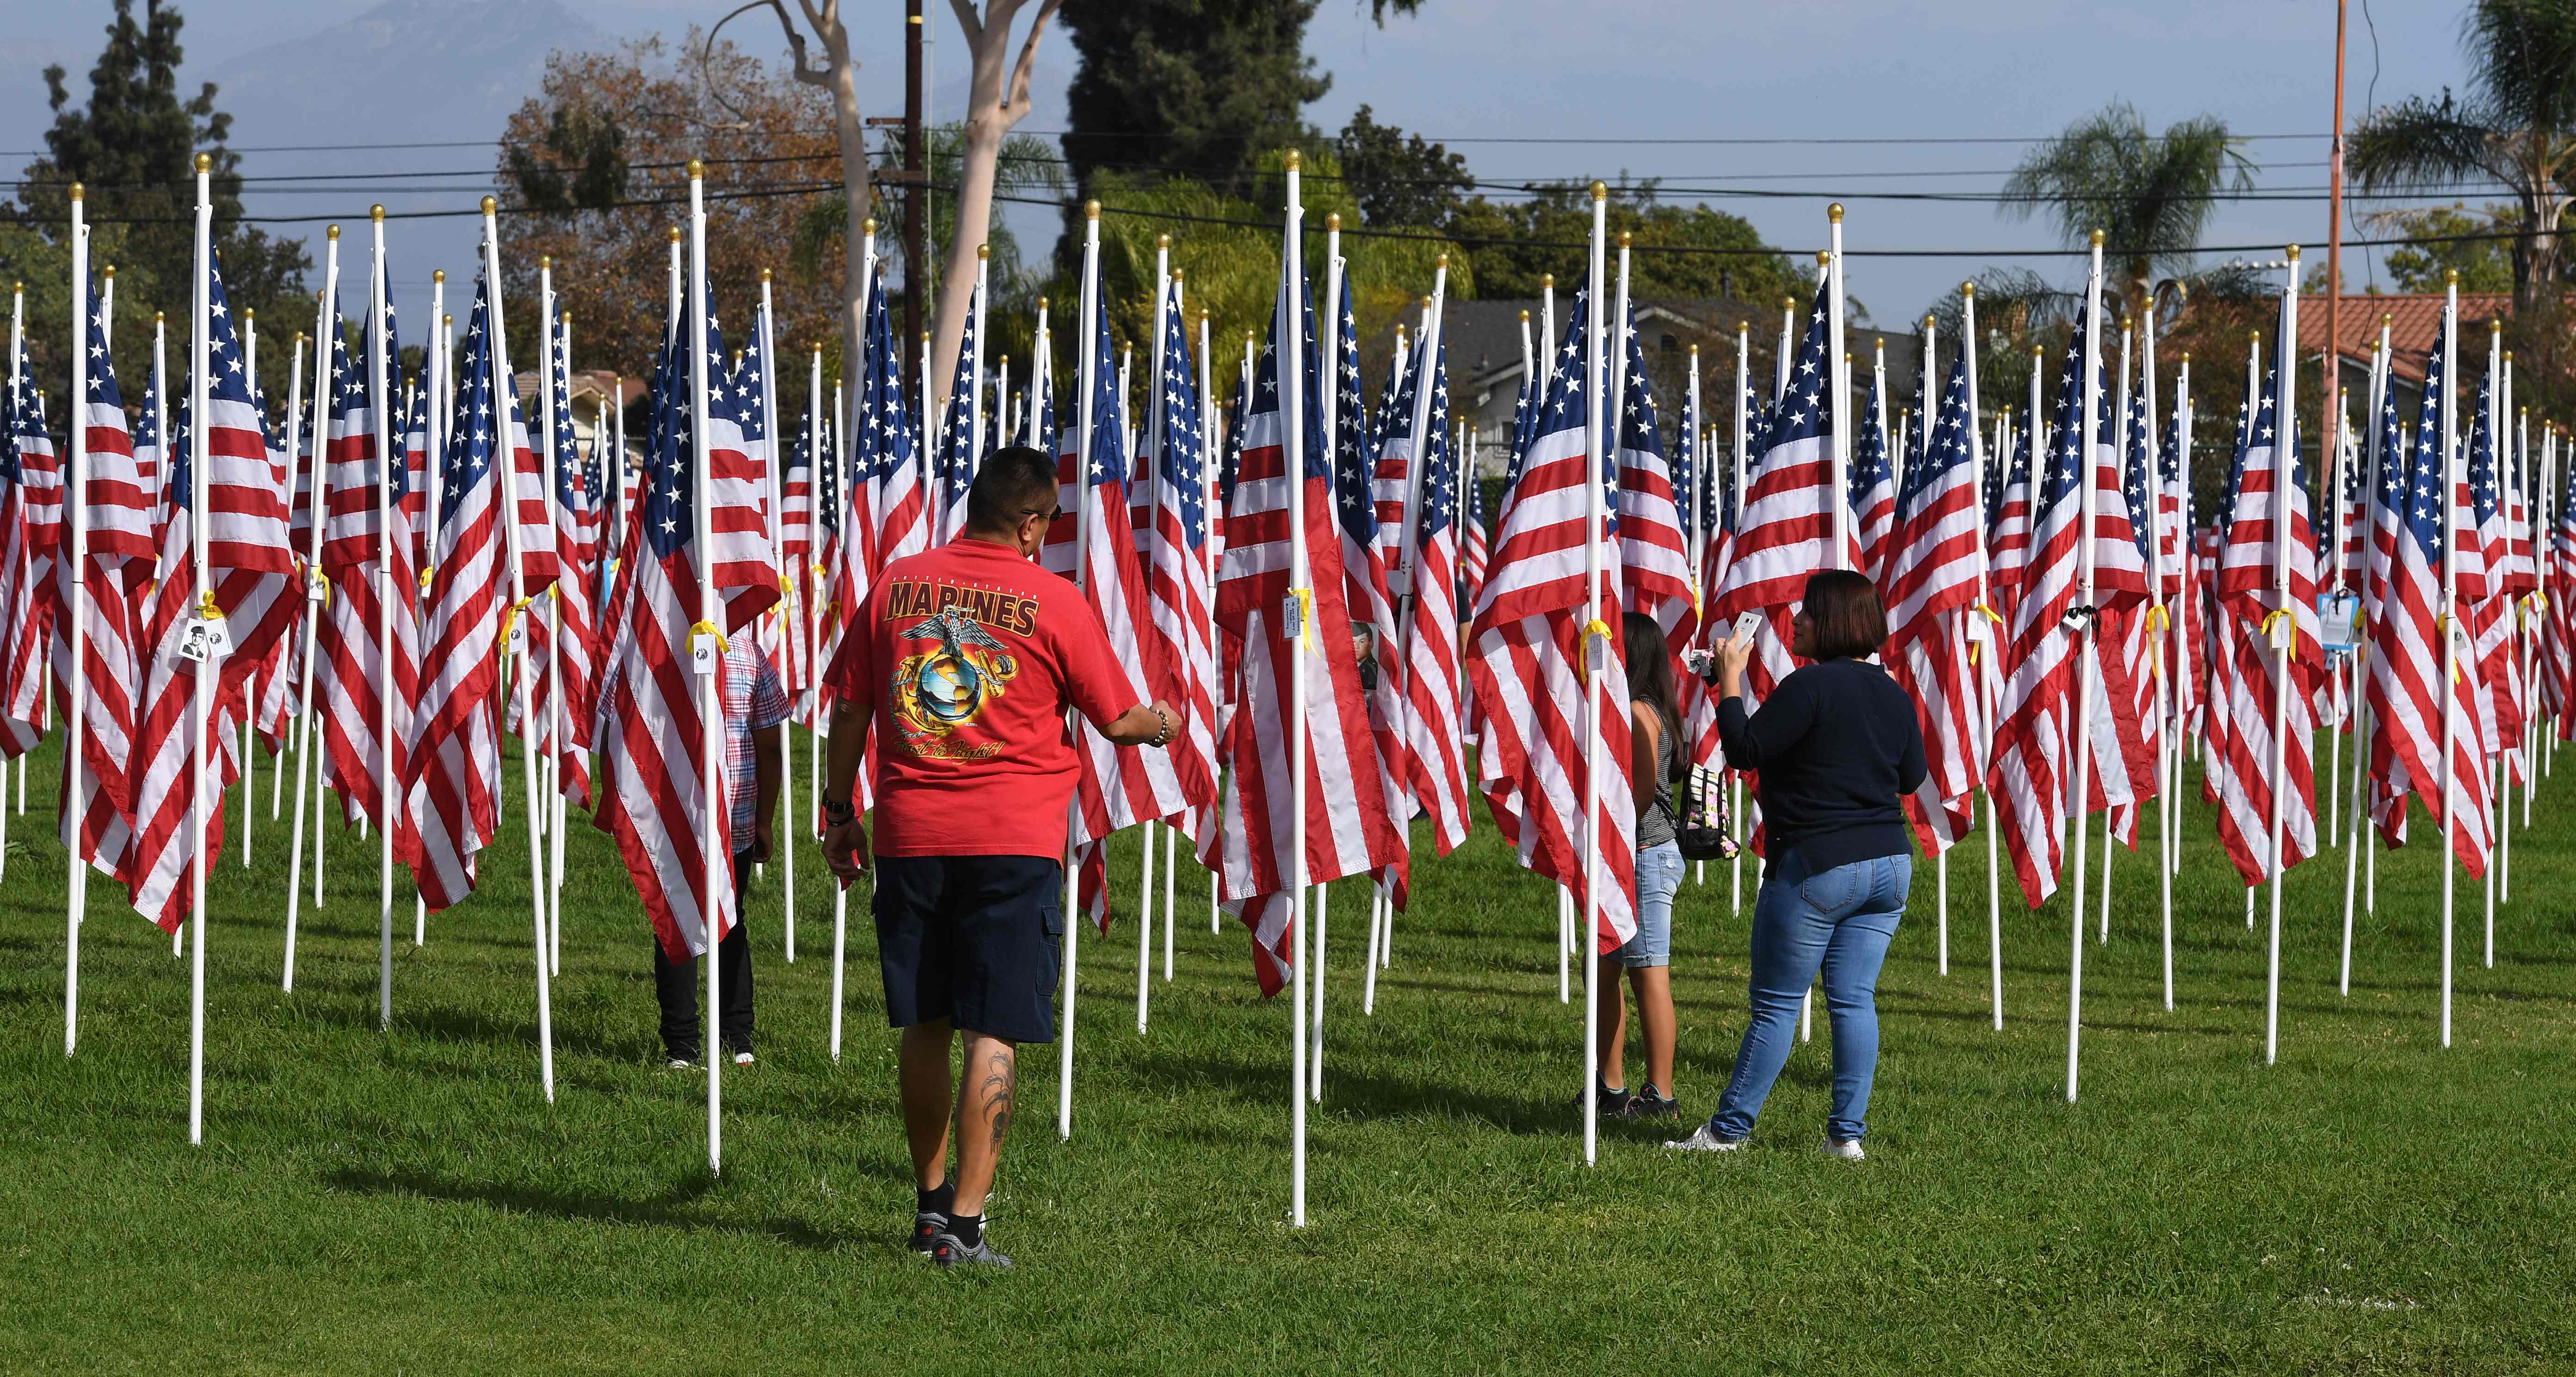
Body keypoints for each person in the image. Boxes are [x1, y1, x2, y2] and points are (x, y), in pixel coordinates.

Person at [821, 445, 1178, 1270]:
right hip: (1013, 842)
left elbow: (851, 707)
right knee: (994, 1029)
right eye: (1045, 524)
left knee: (924, 1021)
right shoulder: (1051, 600)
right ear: (1028, 522)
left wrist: (841, 812)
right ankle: (967, 1228)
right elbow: (1118, 721)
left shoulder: (895, 586)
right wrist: (1164, 723)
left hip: (912, 833)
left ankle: (927, 1203)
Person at [1667, 571, 1925, 1159]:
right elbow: (1911, 777)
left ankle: (1728, 1132)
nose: (1795, 621)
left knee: (1778, 1005)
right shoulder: (1894, 692)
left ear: (1833, 621)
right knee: (1855, 999)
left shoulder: (1809, 687)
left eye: (1808, 612)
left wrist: (1730, 680)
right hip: (1889, 865)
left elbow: (1744, 750)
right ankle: (1847, 1137)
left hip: (1816, 866)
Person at [653, 636, 785, 1068]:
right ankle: (733, 1037)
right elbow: (769, 745)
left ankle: (685, 1046)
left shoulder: (663, 635)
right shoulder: (749, 650)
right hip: (729, 814)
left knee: (679, 919)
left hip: (691, 812)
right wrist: (765, 818)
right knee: (730, 917)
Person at [1578, 612, 1690, 1119]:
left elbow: (1641, 795)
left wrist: (1609, 835)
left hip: (1644, 856)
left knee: (1650, 975)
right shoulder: (1642, 709)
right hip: (1629, 857)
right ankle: (1610, 1083)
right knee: (1603, 972)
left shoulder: (1643, 714)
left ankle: (1661, 1093)